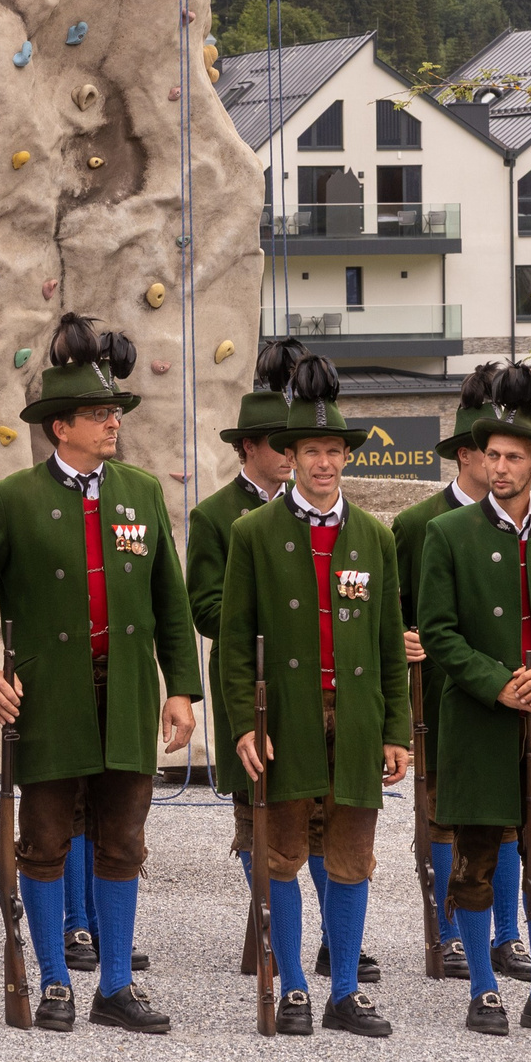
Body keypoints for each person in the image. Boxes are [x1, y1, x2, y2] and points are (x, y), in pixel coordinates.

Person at [0, 314, 200, 1033]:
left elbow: (168, 603)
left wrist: (180, 688)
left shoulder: (142, 493)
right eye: (96, 413)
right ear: (61, 427)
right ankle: (55, 979)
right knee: (47, 837)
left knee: (124, 839)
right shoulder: (15, 498)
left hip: (124, 693)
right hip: (47, 694)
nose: (111, 422)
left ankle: (115, 985)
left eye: (113, 411)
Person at [218, 355, 411, 1037]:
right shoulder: (253, 533)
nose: (324, 463)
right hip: (286, 717)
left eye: (333, 450)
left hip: (356, 720)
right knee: (279, 851)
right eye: (311, 452)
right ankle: (294, 986)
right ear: (289, 456)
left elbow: (391, 643)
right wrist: (244, 722)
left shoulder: (374, 538)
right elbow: (235, 643)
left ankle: (347, 991)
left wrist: (398, 731)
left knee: (352, 853)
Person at [414, 364, 531, 1036]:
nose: (499, 466)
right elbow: (437, 632)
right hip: (478, 721)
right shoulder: (447, 535)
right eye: (491, 454)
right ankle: (484, 986)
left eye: (513, 456)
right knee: (474, 856)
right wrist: (498, 681)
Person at [390, 360, 515, 984]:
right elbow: (395, 608)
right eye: (481, 452)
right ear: (464, 456)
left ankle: (510, 933)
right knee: (443, 813)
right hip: (441, 695)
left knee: (515, 814)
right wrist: (402, 638)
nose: (494, 464)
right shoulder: (418, 526)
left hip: (514, 695)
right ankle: (448, 930)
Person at [189, 339, 298, 947]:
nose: (291, 455)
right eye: (278, 445)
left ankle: (332, 933)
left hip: (310, 681)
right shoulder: (215, 517)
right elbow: (205, 609)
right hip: (249, 678)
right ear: (246, 448)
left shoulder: (316, 510)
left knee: (315, 813)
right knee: (252, 814)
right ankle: (270, 922)